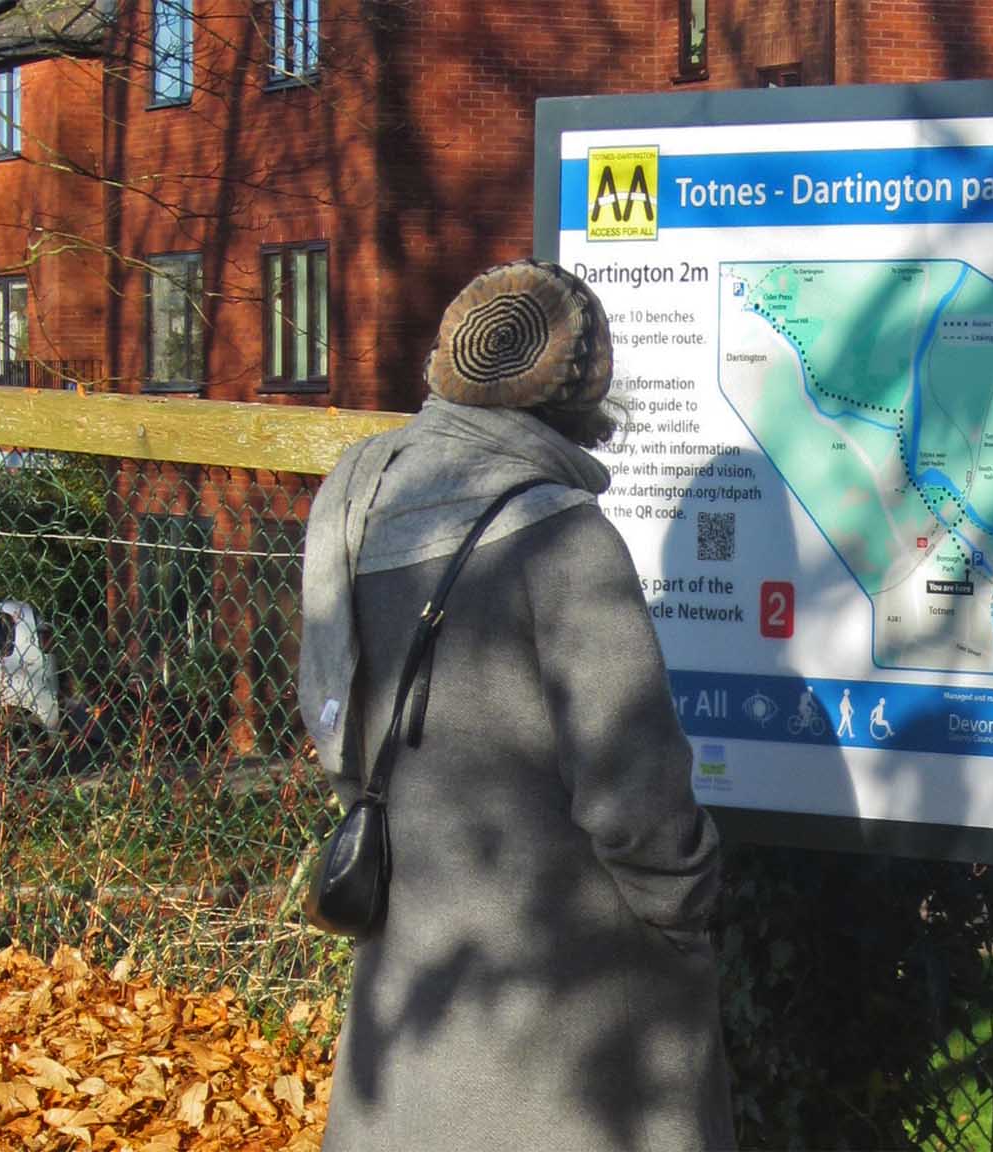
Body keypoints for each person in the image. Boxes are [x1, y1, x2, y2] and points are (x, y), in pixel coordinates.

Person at [298, 260, 734, 1151]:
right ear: (583, 400)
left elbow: (333, 723)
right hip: (578, 1016)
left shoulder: (357, 502)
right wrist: (687, 903)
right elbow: (637, 801)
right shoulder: (565, 538)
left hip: (415, 977)